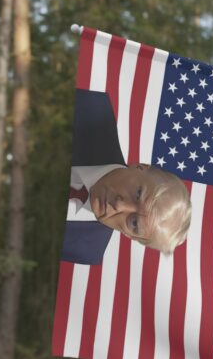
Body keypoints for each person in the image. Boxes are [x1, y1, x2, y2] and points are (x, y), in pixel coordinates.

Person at [61, 90, 192, 265]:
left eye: (135, 223)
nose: (120, 205)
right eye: (138, 193)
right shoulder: (91, 112)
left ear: (130, 236)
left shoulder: (85, 251)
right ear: (141, 167)